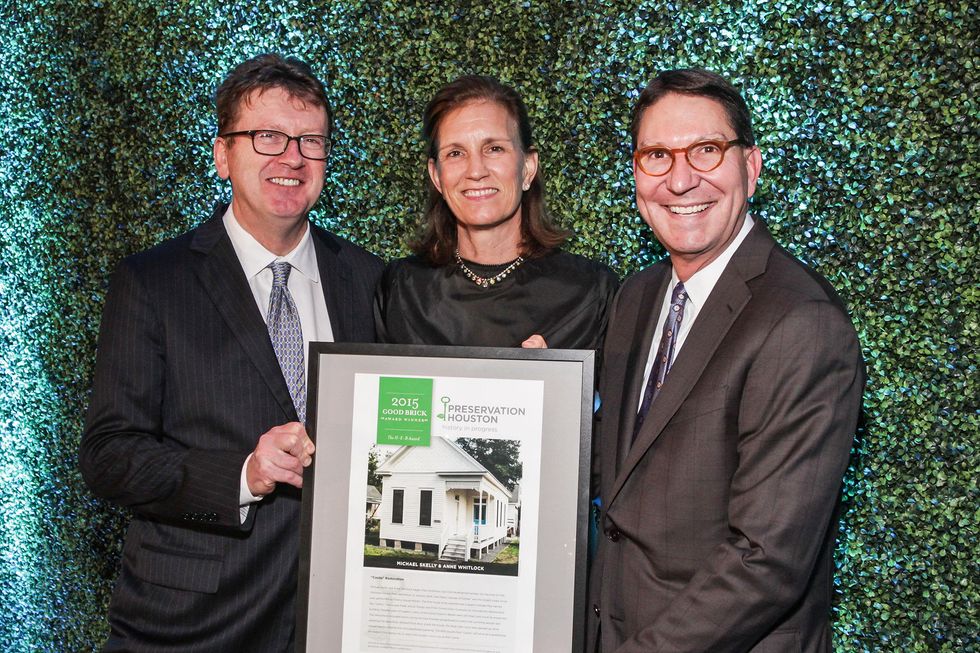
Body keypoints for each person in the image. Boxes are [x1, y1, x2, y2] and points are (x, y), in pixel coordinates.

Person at [79, 54, 382, 652]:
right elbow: (109, 455)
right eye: (267, 136)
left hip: (333, 617)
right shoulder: (153, 282)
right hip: (190, 624)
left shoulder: (369, 278)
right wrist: (245, 475)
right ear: (223, 156)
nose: (291, 157)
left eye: (310, 141)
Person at [588, 69, 865, 652]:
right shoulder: (636, 297)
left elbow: (766, 560)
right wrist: (536, 404)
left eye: (706, 150)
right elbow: (619, 472)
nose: (680, 179)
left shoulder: (802, 322)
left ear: (751, 167)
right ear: (636, 174)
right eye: (656, 156)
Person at [374, 75, 617, 349]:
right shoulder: (401, 289)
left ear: (527, 168)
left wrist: (554, 375)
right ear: (437, 176)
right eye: (455, 153)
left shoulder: (589, 291)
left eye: (494, 149)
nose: (476, 171)